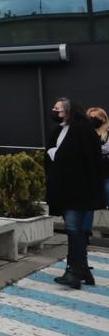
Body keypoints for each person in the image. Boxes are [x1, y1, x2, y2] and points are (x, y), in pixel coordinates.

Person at [47, 97, 107, 288]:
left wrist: (55, 153)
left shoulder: (81, 130)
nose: (54, 111)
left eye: (57, 109)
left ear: (68, 111)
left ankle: (74, 271)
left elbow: (78, 158)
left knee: (75, 229)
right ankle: (81, 270)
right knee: (77, 230)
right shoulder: (60, 130)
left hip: (79, 189)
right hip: (67, 188)